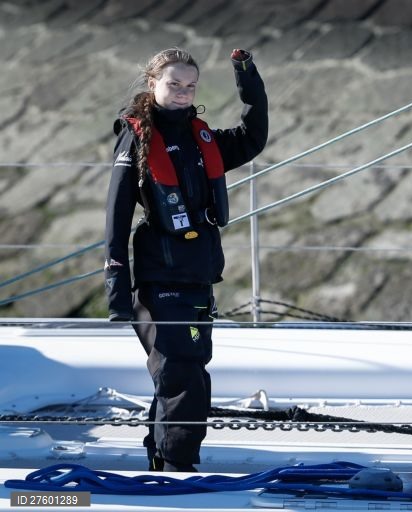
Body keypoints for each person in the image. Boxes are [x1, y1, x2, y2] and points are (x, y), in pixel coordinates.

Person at [104, 47, 268, 472]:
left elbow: (253, 136)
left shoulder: (201, 138)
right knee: (182, 374)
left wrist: (246, 74)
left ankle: (163, 461)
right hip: (159, 279)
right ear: (152, 83)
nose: (182, 92)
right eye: (173, 83)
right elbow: (116, 218)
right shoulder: (136, 139)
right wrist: (116, 291)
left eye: (190, 86)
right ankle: (179, 468)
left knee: (186, 371)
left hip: (198, 275)